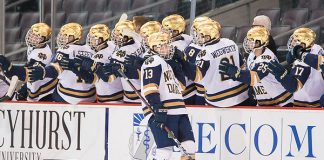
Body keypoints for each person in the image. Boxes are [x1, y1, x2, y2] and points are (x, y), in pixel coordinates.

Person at [141, 31, 195, 160]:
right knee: (165, 151)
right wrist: (157, 107)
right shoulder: (152, 60)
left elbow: (180, 88)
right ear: (154, 48)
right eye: (162, 46)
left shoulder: (167, 64)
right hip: (163, 111)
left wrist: (177, 67)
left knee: (190, 147)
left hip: (179, 111)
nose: (166, 48)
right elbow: (150, 87)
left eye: (167, 45)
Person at [179, 20, 250, 107]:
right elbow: (242, 66)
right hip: (242, 94)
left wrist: (182, 62)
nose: (199, 38)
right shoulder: (230, 42)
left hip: (218, 99)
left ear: (209, 37)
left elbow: (197, 76)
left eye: (201, 36)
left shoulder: (205, 53)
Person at [219, 26, 293, 106]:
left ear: (259, 42)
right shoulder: (252, 55)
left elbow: (254, 77)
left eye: (251, 40)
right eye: (248, 40)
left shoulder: (267, 58)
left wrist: (237, 73)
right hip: (264, 102)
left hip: (282, 102)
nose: (248, 42)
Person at [27, 23, 96, 104]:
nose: (63, 38)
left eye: (67, 35)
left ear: (76, 36)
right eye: (63, 35)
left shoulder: (65, 49)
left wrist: (44, 72)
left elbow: (54, 70)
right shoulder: (92, 50)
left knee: (48, 90)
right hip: (90, 97)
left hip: (66, 97)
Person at [267, 27, 324, 107]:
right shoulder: (316, 48)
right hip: (316, 99)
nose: (292, 42)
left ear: (304, 44)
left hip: (307, 106)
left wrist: (281, 73)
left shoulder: (303, 63)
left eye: (295, 40)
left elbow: (292, 86)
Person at [0, 23, 57, 101]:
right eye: (32, 34)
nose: (32, 38)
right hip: (33, 81)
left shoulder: (42, 55)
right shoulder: (34, 46)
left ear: (44, 40)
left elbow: (27, 74)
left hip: (41, 89)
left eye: (36, 37)